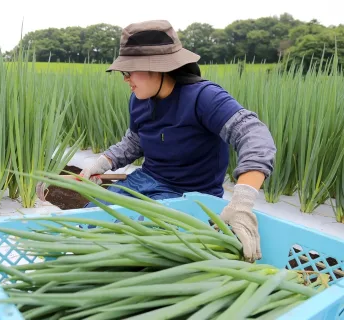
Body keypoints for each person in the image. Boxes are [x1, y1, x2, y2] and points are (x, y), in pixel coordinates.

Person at [78, 20, 277, 263]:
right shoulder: (139, 99)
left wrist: (243, 202)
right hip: (145, 181)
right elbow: (135, 140)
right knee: (90, 221)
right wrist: (102, 162)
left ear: (158, 67)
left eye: (129, 72)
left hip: (190, 194)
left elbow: (254, 135)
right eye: (124, 73)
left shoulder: (204, 97)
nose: (126, 79)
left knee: (135, 244)